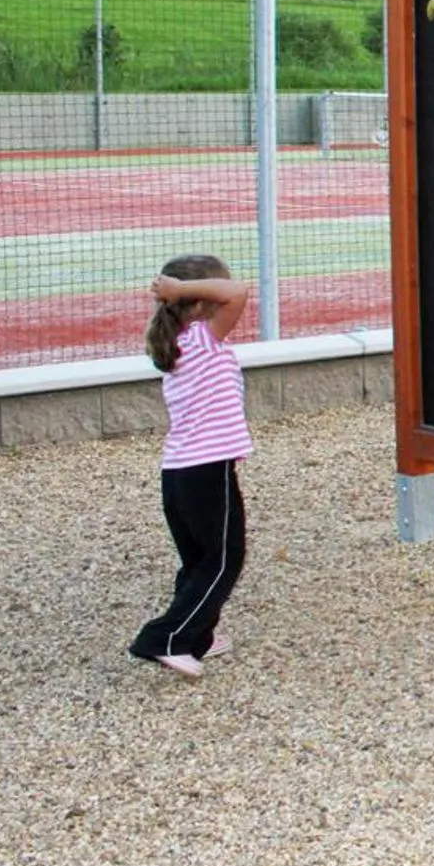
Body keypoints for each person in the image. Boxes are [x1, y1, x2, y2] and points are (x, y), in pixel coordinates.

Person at [129, 255, 256, 679]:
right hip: (205, 470)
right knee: (224, 559)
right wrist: (181, 290)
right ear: (201, 302)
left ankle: (198, 636)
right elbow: (238, 294)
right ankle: (166, 639)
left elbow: (231, 294)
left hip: (180, 473)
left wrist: (179, 295)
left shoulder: (181, 342)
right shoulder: (201, 337)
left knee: (199, 561)